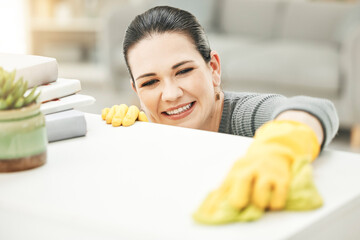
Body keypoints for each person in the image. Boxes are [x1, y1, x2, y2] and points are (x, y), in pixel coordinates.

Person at [101, 6, 339, 218]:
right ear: (136, 90)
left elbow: (315, 108)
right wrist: (131, 138)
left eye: (183, 71)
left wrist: (279, 150)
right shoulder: (145, 129)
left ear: (213, 68)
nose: (171, 94)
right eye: (150, 83)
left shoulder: (242, 116)